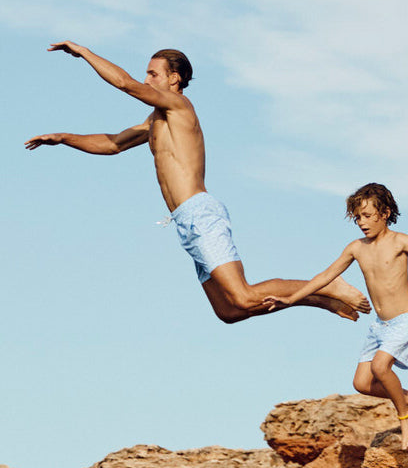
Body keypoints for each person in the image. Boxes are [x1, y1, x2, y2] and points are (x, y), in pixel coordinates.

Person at [25, 41, 370, 323]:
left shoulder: (179, 106)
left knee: (244, 294)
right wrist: (64, 137)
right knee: (229, 312)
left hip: (200, 213)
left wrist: (84, 52)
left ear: (174, 78)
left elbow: (124, 83)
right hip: (185, 223)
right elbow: (112, 144)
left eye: (153, 74)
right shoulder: (155, 121)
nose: (147, 80)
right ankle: (321, 300)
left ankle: (330, 285)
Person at [265, 183, 408, 448]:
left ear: (385, 212)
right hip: (380, 326)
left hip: (406, 319)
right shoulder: (356, 248)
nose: (361, 223)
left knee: (380, 367)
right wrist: (290, 298)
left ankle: (406, 418)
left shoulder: (401, 241)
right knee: (362, 383)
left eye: (367, 216)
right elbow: (324, 277)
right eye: (357, 218)